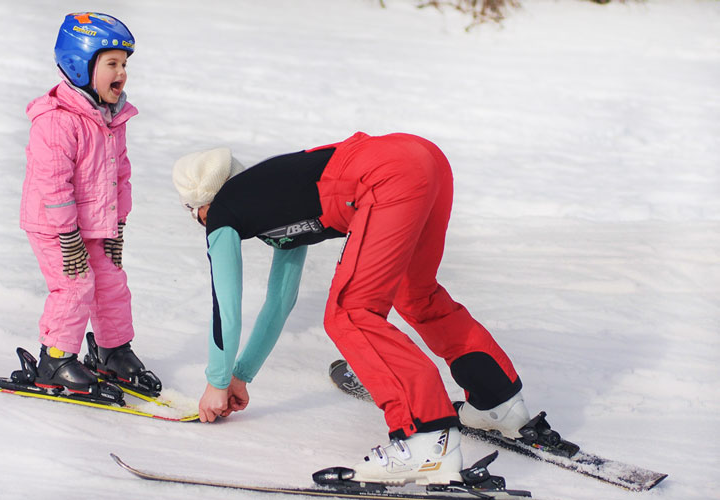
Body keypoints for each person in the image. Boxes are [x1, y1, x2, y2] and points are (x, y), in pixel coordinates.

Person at [172, 132, 531, 485]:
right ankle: (497, 402)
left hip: (385, 175)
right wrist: (240, 376)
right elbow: (279, 302)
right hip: (423, 158)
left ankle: (426, 438)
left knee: (350, 313)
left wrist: (216, 382)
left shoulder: (221, 212)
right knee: (416, 293)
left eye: (192, 213)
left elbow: (226, 306)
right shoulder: (270, 195)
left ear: (200, 206)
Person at [19, 12, 160, 398]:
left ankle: (113, 352)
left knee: (111, 283)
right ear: (80, 65)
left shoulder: (112, 117)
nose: (122, 72)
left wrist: (119, 225)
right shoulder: (57, 120)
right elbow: (53, 183)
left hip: (97, 225)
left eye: (125, 64)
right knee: (75, 285)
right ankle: (56, 360)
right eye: (112, 63)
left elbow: (120, 173)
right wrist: (68, 234)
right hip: (55, 226)